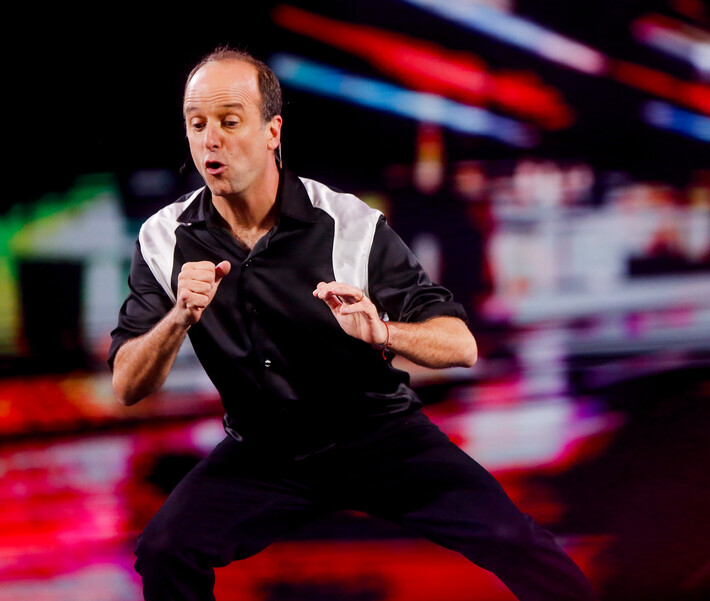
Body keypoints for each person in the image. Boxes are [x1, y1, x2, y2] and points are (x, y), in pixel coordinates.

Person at [109, 47, 596, 601]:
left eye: (229, 121)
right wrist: (179, 317)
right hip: (263, 452)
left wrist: (384, 332)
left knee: (515, 540)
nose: (210, 140)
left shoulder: (349, 224)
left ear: (273, 131)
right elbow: (127, 385)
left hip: (379, 439)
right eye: (197, 125)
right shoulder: (162, 238)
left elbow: (461, 346)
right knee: (165, 552)